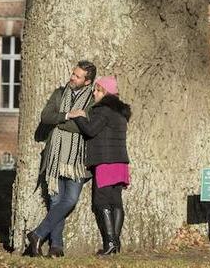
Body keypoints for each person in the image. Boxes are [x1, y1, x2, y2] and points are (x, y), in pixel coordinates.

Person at [24, 60, 97, 258]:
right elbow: (46, 116)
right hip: (55, 155)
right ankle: (56, 247)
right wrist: (69, 114)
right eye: (73, 74)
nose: (72, 78)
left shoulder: (92, 100)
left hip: (77, 159)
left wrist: (61, 122)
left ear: (87, 82)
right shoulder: (59, 93)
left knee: (70, 200)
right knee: (56, 202)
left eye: (77, 76)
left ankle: (37, 234)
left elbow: (87, 127)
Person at [68, 75, 131, 255]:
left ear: (105, 92)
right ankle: (116, 244)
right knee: (116, 202)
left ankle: (110, 243)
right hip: (121, 162)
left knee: (101, 201)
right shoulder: (120, 112)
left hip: (105, 161)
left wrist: (80, 116)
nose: (94, 93)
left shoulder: (102, 110)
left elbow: (90, 130)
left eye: (97, 90)